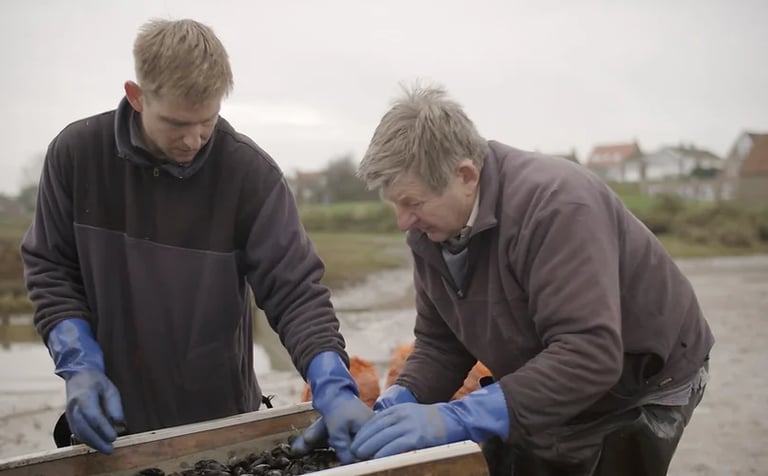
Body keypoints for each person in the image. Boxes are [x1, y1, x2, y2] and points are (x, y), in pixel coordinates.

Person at [20, 18, 372, 462]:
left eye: (206, 121)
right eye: (176, 123)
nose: (193, 140)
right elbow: (51, 268)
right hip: (112, 429)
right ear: (136, 95)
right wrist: (79, 364)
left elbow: (296, 291)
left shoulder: (250, 176)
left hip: (224, 428)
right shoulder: (76, 157)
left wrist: (331, 381)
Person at [342, 84, 713, 475]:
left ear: (466, 175)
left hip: (639, 377)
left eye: (412, 203)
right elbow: (442, 342)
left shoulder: (557, 206)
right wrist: (403, 397)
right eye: (395, 204)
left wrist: (458, 418)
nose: (403, 221)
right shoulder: (429, 233)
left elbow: (588, 353)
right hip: (549, 360)